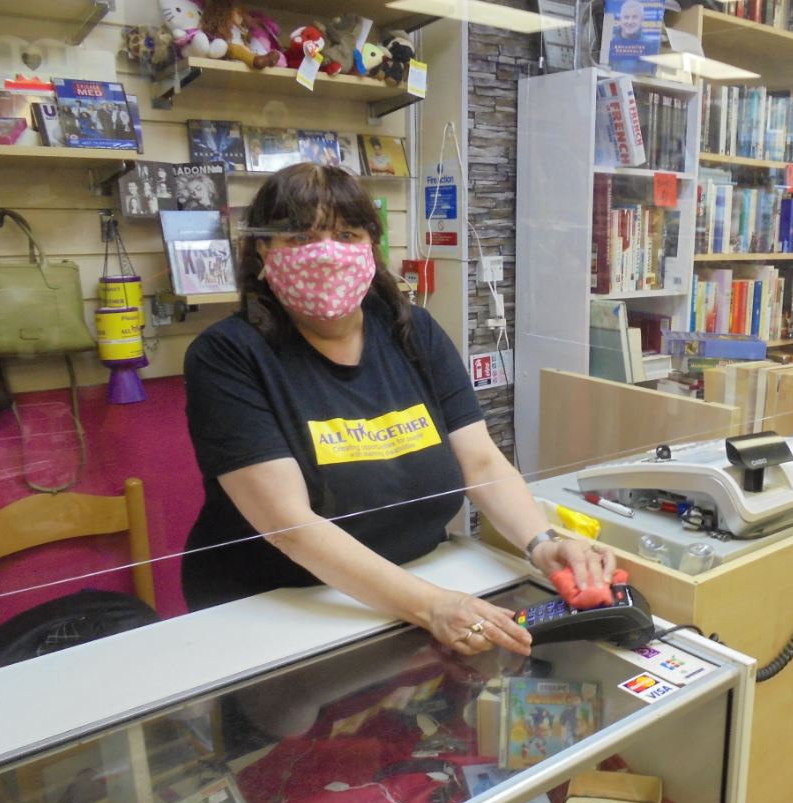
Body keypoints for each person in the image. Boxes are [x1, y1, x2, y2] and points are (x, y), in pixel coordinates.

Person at [182, 163, 613, 657]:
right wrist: (430, 606)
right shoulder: (227, 356)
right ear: (263, 249)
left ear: (371, 246)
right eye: (300, 237)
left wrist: (541, 543)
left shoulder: (414, 332)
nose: (326, 254)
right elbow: (291, 527)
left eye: (346, 234)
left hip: (416, 588)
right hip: (277, 609)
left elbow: (482, 461)